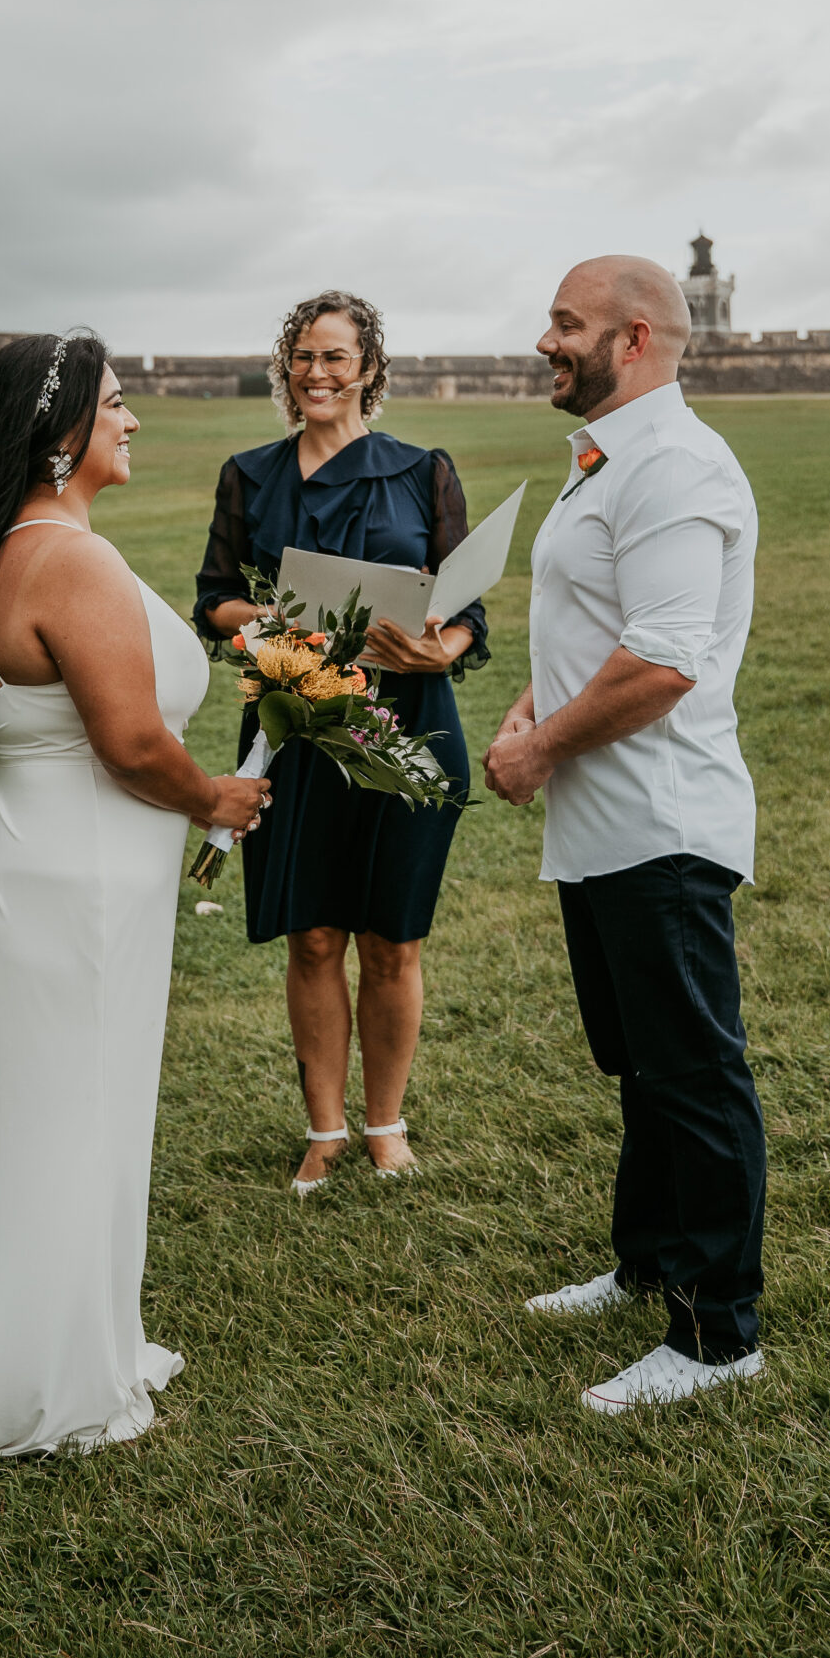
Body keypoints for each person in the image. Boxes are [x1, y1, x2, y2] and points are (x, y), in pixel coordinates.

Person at [0, 334, 269, 1458]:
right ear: (60, 437)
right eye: (118, 403)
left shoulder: (17, 546)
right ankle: (45, 1378)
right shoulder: (72, 562)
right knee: (70, 1107)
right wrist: (215, 800)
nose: (134, 420)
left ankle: (70, 1334)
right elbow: (135, 741)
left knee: (54, 1104)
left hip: (46, 857)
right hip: (85, 871)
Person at [483, 256, 767, 1415]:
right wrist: (529, 711)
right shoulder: (605, 455)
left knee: (692, 1071)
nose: (544, 339)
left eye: (565, 322)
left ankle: (715, 1335)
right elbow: (593, 624)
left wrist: (540, 749)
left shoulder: (676, 464)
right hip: (598, 826)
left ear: (634, 337)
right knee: (640, 1063)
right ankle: (645, 1262)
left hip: (661, 821)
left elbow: (660, 660)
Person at [194, 290, 489, 1190]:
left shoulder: (423, 471)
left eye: (336, 358)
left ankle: (386, 1123)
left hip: (407, 726)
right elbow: (214, 602)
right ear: (289, 370)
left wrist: (440, 650)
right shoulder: (249, 474)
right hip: (301, 731)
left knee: (392, 940)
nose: (317, 374)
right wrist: (287, 626)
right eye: (303, 358)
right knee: (315, 937)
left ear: (369, 369)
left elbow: (464, 603)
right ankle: (324, 1129)